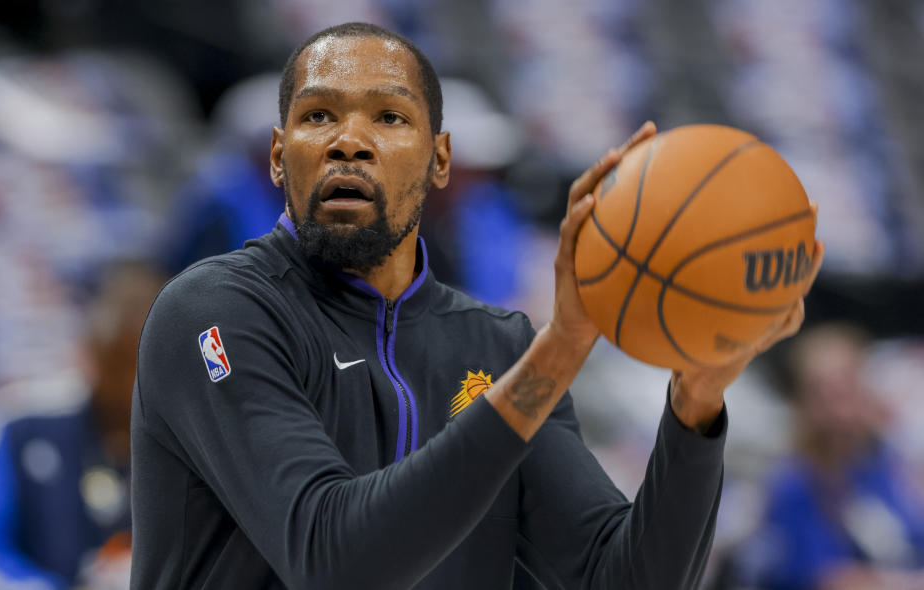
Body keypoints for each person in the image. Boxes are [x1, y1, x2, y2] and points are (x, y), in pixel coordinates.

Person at [130, 22, 823, 589]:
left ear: (439, 161)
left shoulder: (496, 349)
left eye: (388, 116)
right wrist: (557, 351)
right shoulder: (214, 312)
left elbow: (621, 578)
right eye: (317, 115)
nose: (348, 140)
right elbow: (332, 561)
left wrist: (695, 405)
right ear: (280, 158)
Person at [0, 261, 163, 590]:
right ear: (90, 351)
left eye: (140, 365)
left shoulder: (194, 433)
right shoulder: (21, 418)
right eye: (117, 361)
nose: (130, 383)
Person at [727, 323, 924, 590]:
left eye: (847, 387)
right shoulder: (792, 487)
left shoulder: (884, 465)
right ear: (802, 404)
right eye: (824, 394)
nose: (840, 410)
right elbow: (826, 580)